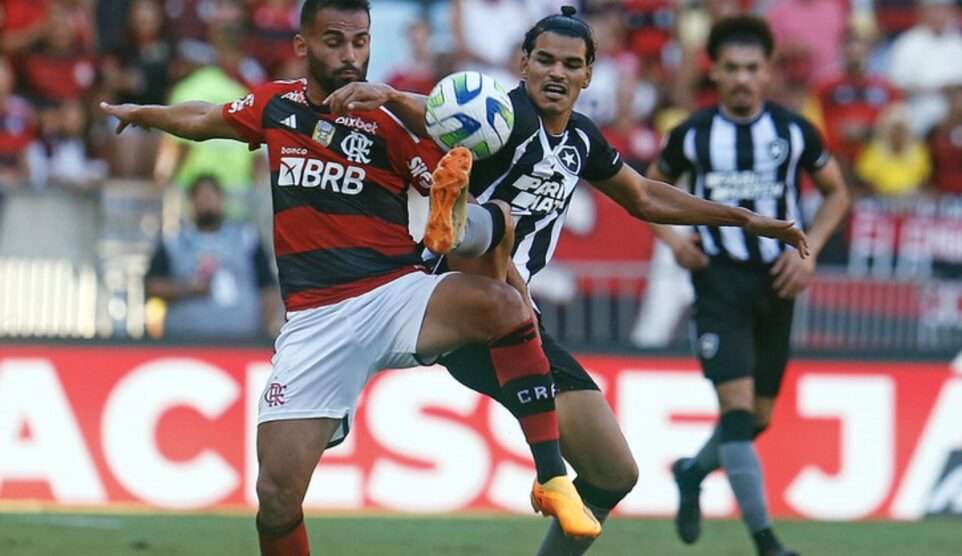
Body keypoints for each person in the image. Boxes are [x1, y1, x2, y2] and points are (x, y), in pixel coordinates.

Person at [102, 1, 610, 553]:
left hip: (395, 293)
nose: (350, 56)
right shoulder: (277, 106)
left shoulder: (391, 123)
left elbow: (447, 209)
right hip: (316, 321)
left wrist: (472, 221)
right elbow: (204, 118)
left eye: (360, 42)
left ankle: (552, 477)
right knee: (275, 498)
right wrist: (147, 113)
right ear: (303, 46)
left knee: (506, 306)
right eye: (335, 42)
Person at [322, 7, 810, 555]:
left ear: (589, 75)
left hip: (506, 312)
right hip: (465, 295)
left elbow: (645, 196)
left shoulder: (580, 139)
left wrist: (745, 218)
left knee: (613, 474)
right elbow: (446, 114)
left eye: (571, 64)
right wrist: (388, 96)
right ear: (523, 64)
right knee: (486, 228)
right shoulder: (506, 117)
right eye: (545, 60)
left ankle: (377, 344)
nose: (557, 72)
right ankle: (431, 266)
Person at [644, 16, 850, 556]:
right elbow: (644, 190)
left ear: (768, 72)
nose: (742, 79)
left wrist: (810, 254)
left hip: (778, 282)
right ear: (715, 73)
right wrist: (673, 242)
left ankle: (691, 472)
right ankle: (767, 543)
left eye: (752, 69)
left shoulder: (793, 130)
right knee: (736, 414)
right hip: (718, 282)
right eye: (731, 69)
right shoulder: (692, 134)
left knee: (756, 420)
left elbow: (837, 195)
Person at [145, 175, 279, 339]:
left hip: (242, 341)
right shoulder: (174, 240)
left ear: (221, 199)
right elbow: (152, 286)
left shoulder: (246, 237)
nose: (206, 202)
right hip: (184, 342)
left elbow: (267, 288)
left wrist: (265, 333)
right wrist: (186, 288)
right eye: (200, 197)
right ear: (191, 203)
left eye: (210, 196)